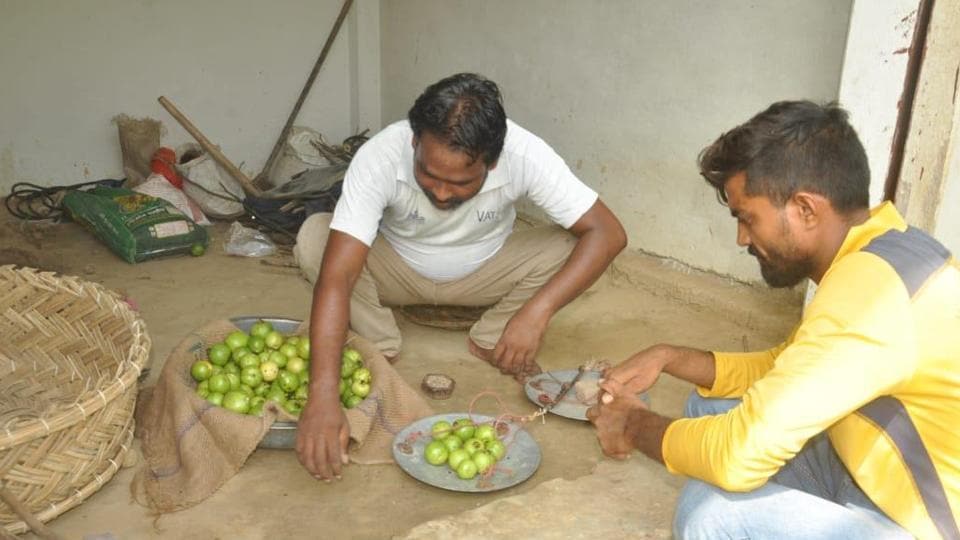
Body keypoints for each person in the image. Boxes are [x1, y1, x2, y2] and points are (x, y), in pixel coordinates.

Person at [587, 100, 959, 539]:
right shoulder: (878, 250)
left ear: (805, 209)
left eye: (748, 218)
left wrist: (632, 425)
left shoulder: (872, 297)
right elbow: (788, 365)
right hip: (864, 471)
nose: (742, 237)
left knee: (714, 518)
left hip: (916, 524)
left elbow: (738, 456)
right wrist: (669, 357)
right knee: (706, 410)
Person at [295, 73, 626, 481]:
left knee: (575, 247)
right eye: (429, 175)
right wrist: (323, 394)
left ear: (493, 159)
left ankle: (496, 336)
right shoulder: (381, 154)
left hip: (486, 272)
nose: (442, 193)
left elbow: (609, 234)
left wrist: (535, 313)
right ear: (415, 142)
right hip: (395, 268)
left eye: (462, 182)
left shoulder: (524, 153)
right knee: (316, 239)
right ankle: (378, 343)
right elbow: (339, 277)